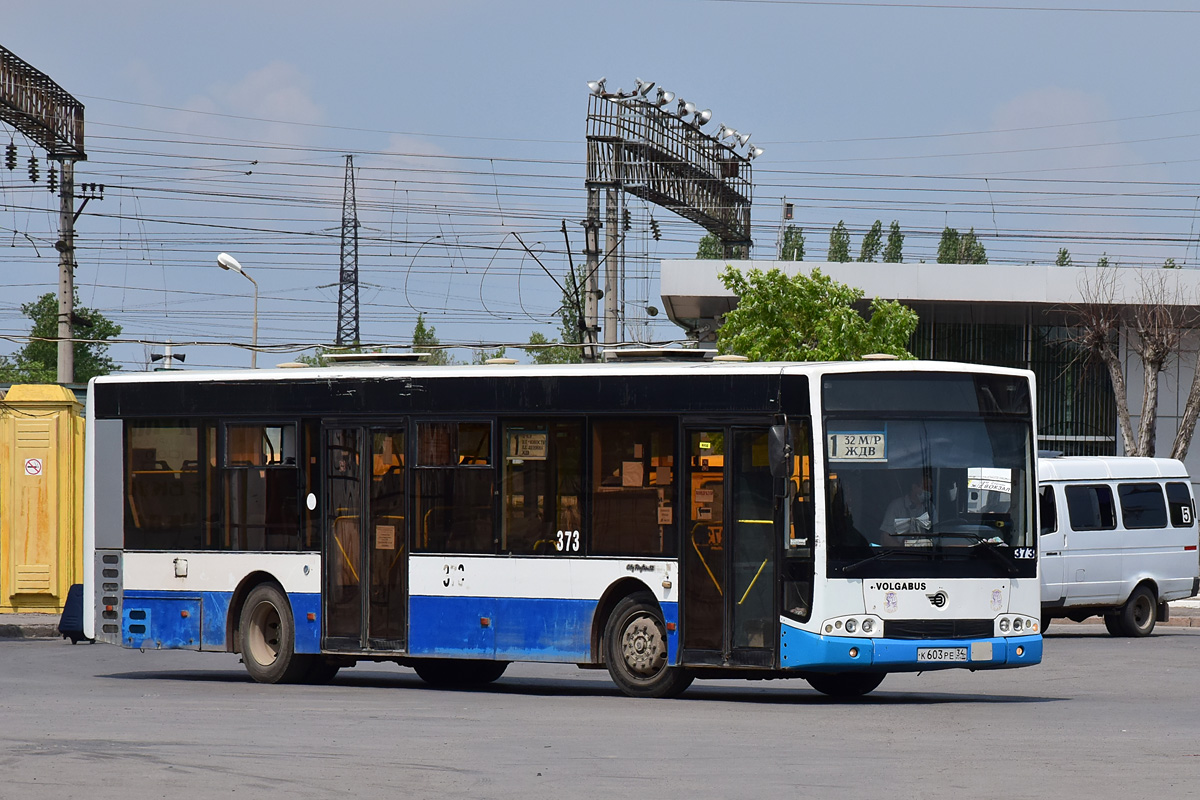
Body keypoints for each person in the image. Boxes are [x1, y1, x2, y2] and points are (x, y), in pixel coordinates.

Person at [879, 475, 932, 545]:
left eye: (930, 488)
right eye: (926, 488)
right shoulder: (896, 506)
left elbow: (937, 534)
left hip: (928, 553)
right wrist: (902, 550)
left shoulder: (931, 507)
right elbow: (886, 537)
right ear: (914, 487)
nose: (929, 491)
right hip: (902, 554)